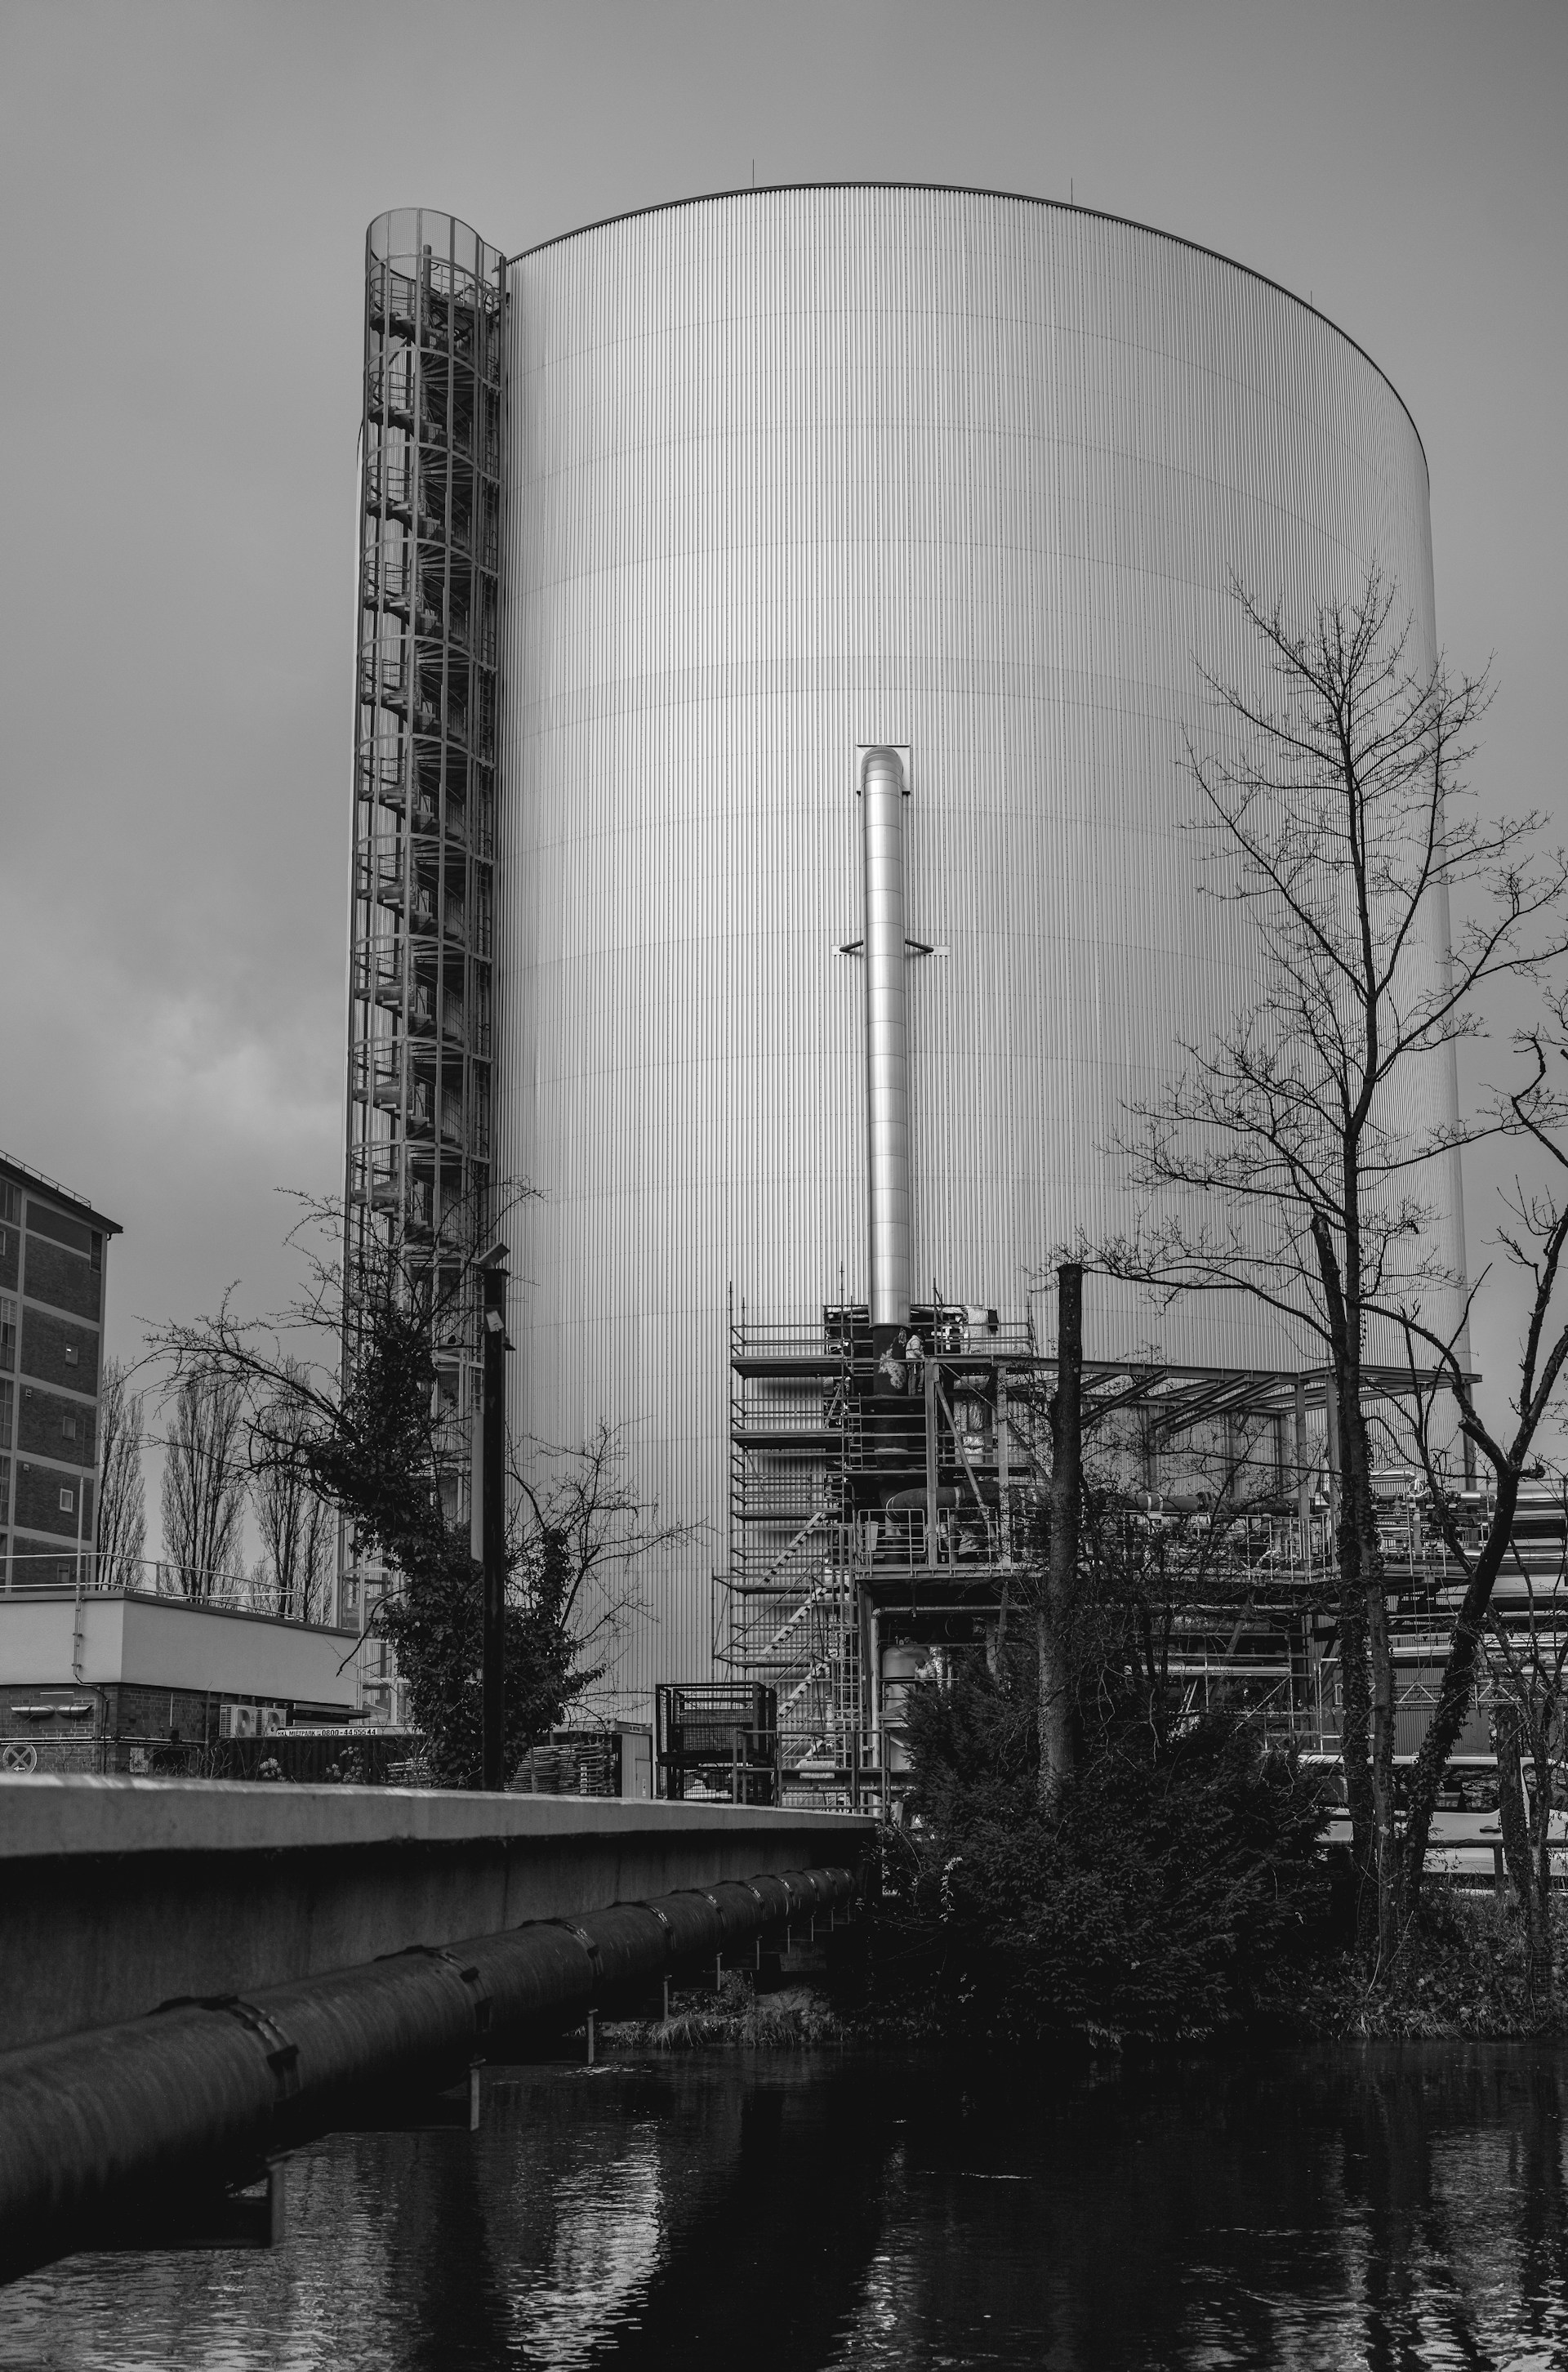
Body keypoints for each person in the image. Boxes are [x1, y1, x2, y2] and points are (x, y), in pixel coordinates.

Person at [905, 1329, 925, 1395]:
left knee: (910, 1377)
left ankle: (910, 1393)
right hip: (914, 1361)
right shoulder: (916, 1341)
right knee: (914, 1377)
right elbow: (916, 1350)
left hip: (910, 1360)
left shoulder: (911, 1340)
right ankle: (913, 1393)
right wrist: (922, 1357)